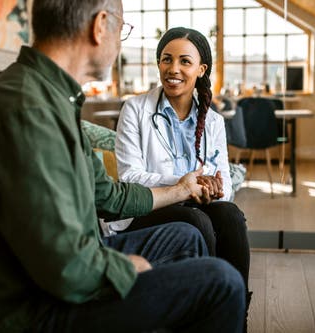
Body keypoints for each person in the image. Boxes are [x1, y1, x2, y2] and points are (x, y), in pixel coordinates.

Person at [0, 1, 245, 332]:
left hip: (56, 271)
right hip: (23, 307)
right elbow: (63, 267)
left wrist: (182, 189)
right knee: (222, 282)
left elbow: (107, 195)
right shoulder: (29, 110)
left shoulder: (52, 97)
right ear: (100, 25)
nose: (120, 43)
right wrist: (124, 268)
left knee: (186, 235)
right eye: (122, 30)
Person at [115, 27, 252, 311]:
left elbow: (223, 179)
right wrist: (184, 186)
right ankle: (207, 308)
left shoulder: (212, 121)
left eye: (184, 61)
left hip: (196, 204)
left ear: (201, 69)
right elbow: (130, 177)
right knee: (197, 221)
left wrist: (211, 190)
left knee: (231, 216)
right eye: (166, 59)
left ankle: (236, 311)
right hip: (148, 209)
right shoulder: (135, 109)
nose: (173, 68)